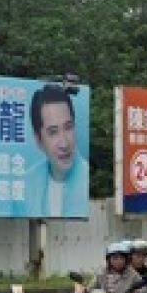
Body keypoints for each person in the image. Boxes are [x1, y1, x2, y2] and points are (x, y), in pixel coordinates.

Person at [23, 84, 90, 218]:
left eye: (68, 128)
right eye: (53, 132)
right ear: (38, 140)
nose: (64, 143)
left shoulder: (86, 179)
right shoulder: (25, 184)